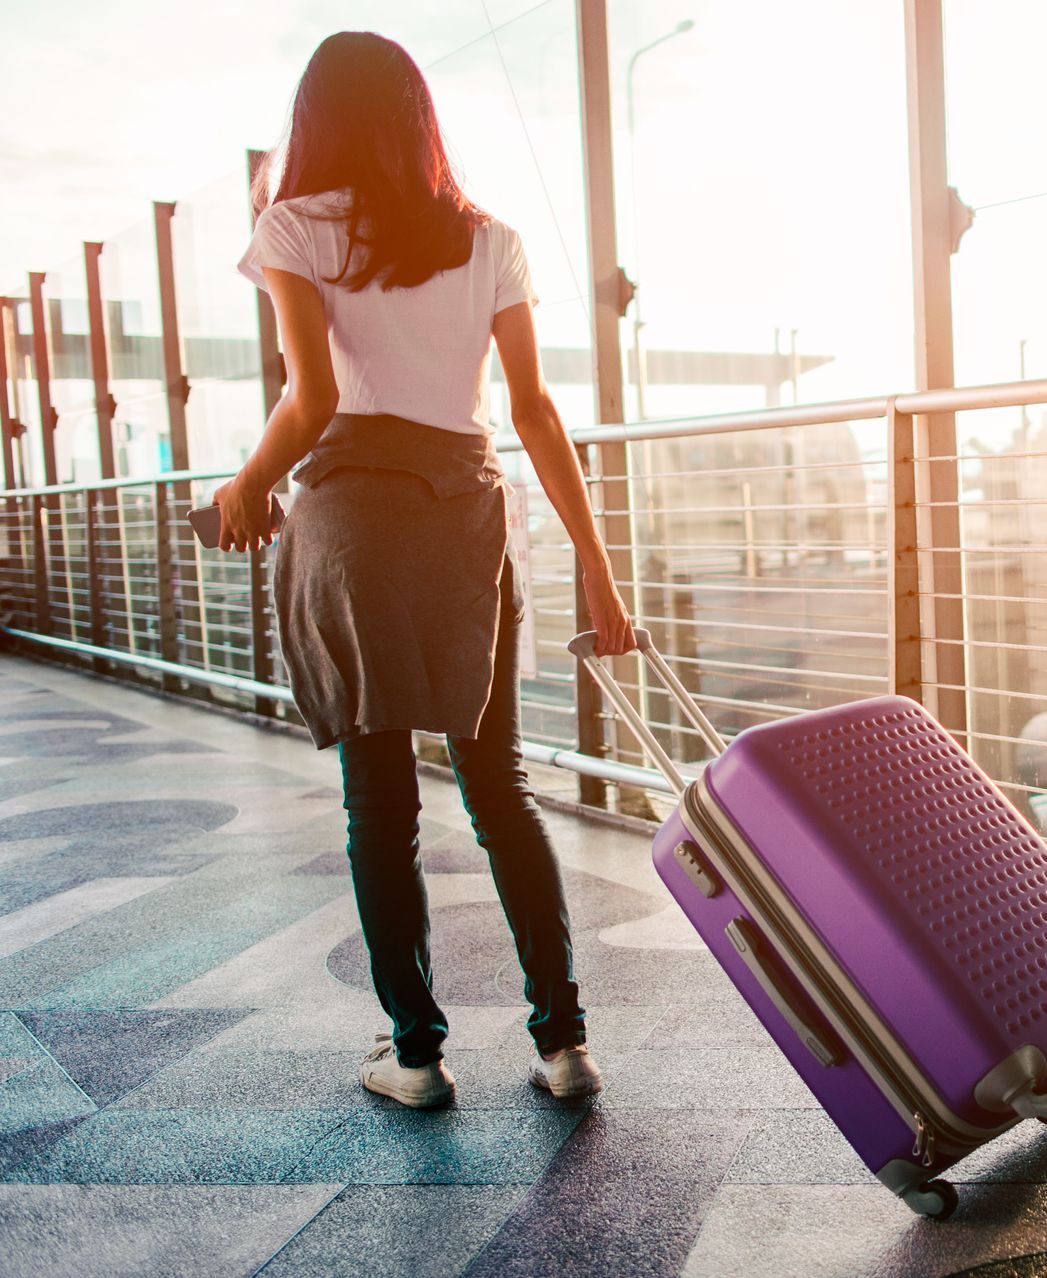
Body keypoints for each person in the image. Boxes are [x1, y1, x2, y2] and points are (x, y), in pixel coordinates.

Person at [215, 31, 635, 1109]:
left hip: (356, 529)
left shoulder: (292, 229)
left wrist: (245, 489)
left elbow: (310, 403)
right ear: (417, 119)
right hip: (466, 525)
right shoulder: (489, 238)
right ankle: (563, 1044)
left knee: (382, 810)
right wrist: (599, 569)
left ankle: (416, 1053)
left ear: (315, 121)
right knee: (502, 791)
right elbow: (534, 412)